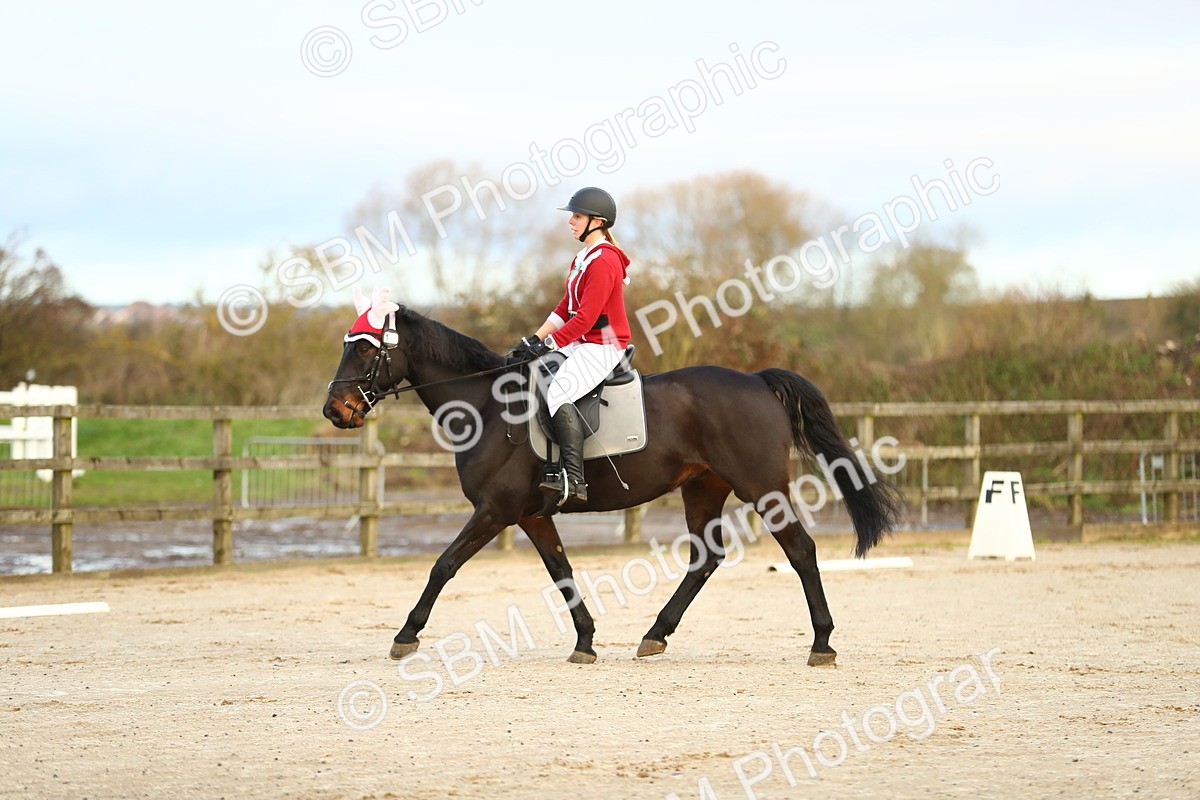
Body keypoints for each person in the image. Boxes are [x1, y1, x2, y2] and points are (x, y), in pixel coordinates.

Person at [513, 187, 631, 505]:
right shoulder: (583, 257)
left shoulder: (605, 261)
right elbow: (565, 308)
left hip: (603, 344)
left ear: (597, 221)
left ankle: (575, 479)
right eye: (573, 216)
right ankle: (548, 466)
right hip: (582, 342)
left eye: (577, 216)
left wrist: (549, 343)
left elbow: (587, 318)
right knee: (535, 374)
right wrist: (534, 340)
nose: (571, 222)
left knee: (559, 392)